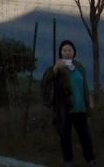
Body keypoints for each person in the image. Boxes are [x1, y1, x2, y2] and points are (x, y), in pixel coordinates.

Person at [40, 39, 95, 167]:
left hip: (80, 108)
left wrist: (89, 101)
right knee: (65, 136)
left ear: (74, 52)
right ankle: (69, 162)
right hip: (65, 109)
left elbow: (84, 85)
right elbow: (46, 81)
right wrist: (55, 68)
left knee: (85, 136)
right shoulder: (58, 68)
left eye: (70, 50)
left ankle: (91, 160)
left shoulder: (79, 67)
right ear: (61, 52)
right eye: (64, 50)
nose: (67, 53)